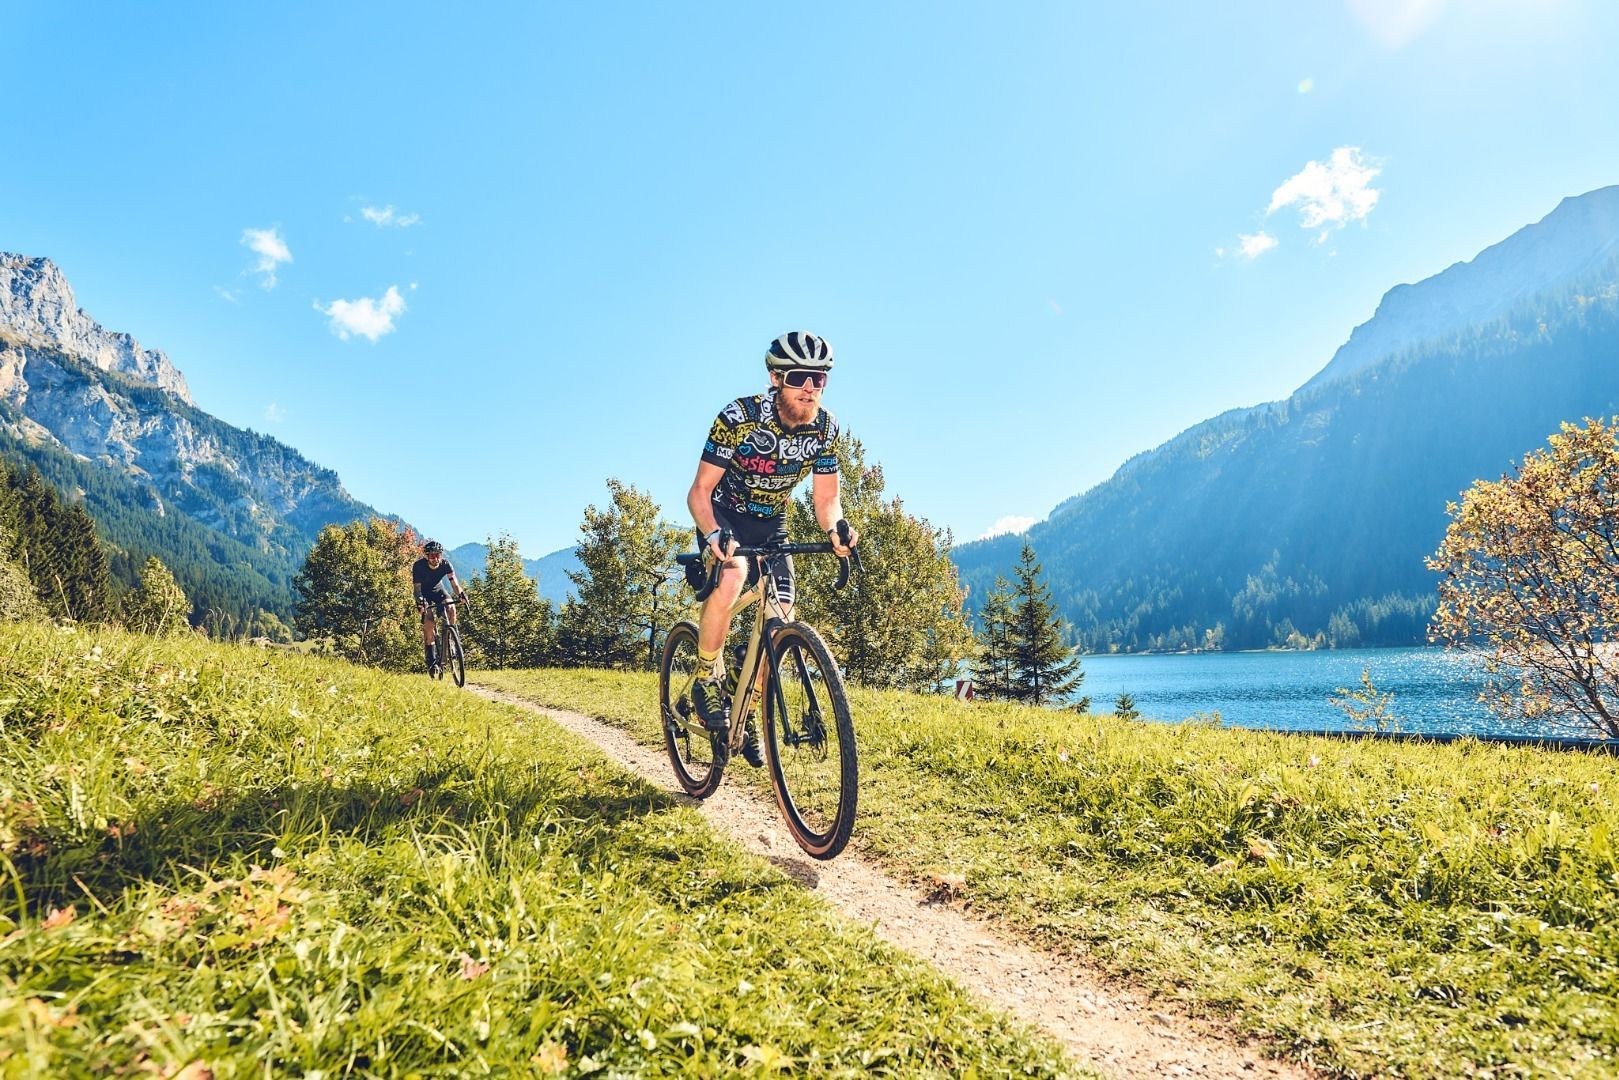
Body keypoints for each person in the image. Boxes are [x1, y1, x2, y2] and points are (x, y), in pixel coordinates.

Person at [686, 330, 860, 765]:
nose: (810, 388)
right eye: (801, 377)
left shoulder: (825, 428)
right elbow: (699, 493)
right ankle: (705, 677)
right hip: (724, 515)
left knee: (782, 618)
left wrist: (836, 527)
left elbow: (825, 499)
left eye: (820, 379)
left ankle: (746, 717)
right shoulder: (739, 417)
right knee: (733, 577)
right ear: (776, 377)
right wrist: (712, 535)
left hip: (772, 525)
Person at [412, 539, 468, 676]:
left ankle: (451, 640)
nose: (435, 558)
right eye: (431, 555)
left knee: (451, 609)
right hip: (424, 595)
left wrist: (461, 594)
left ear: (441, 555)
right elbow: (417, 590)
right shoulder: (418, 566)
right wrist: (421, 603)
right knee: (429, 622)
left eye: (437, 555)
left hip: (439, 592)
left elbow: (454, 584)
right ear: (426, 556)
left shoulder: (446, 564)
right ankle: (431, 661)